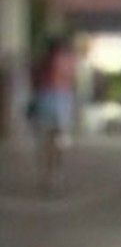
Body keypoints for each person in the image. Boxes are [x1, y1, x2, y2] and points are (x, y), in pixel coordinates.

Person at [28, 33, 79, 193]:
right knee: (58, 138)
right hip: (60, 98)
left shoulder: (43, 61)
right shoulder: (67, 59)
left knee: (47, 139)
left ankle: (48, 174)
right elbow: (72, 79)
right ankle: (55, 173)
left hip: (46, 97)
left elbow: (35, 80)